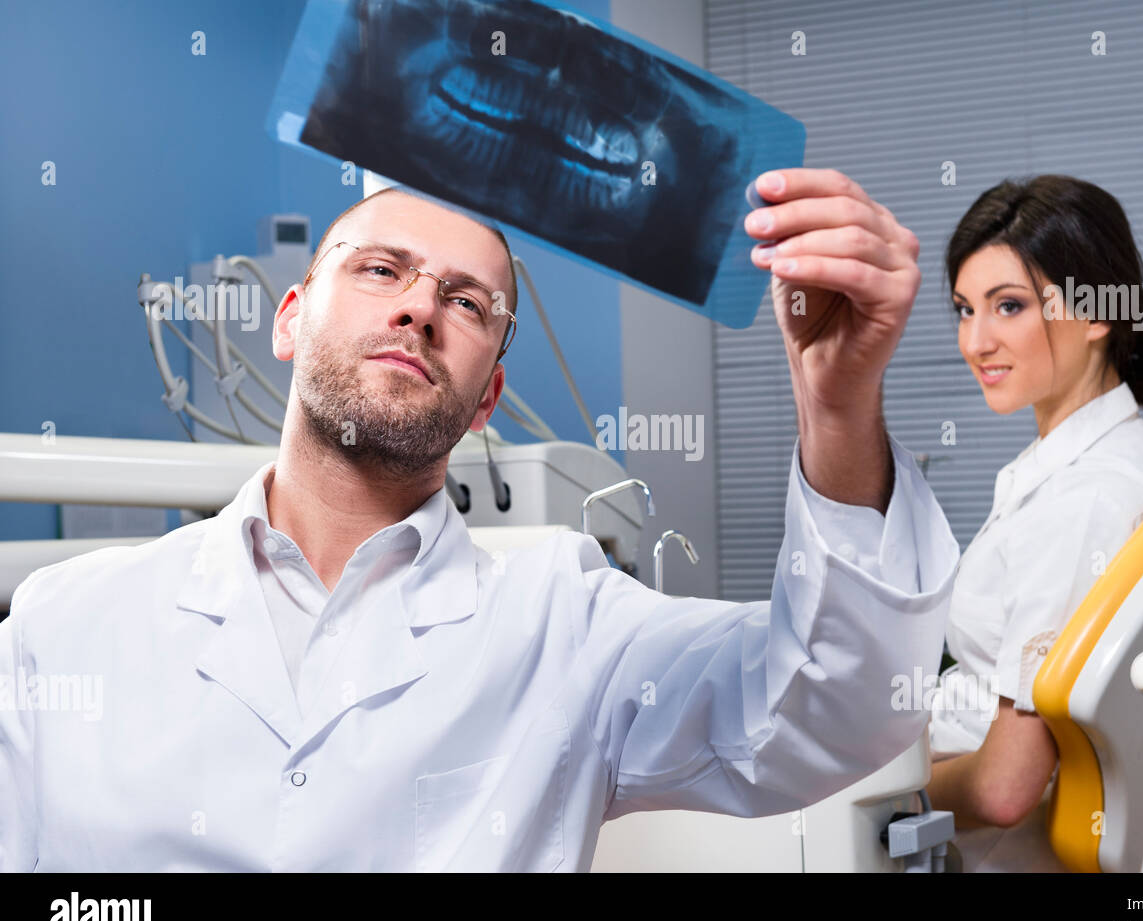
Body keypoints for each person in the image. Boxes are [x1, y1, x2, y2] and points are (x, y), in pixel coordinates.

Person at [0, 169, 959, 872]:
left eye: (468, 302)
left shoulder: (569, 626)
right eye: (382, 269)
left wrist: (837, 409)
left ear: (488, 394)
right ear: (290, 317)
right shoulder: (66, 625)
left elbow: (837, 704)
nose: (421, 307)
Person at [924, 174, 1143, 871]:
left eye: (1007, 306)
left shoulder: (1087, 502)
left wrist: (884, 788)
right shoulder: (1093, 464)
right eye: (963, 309)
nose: (974, 341)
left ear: (1098, 312)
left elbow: (1006, 786)